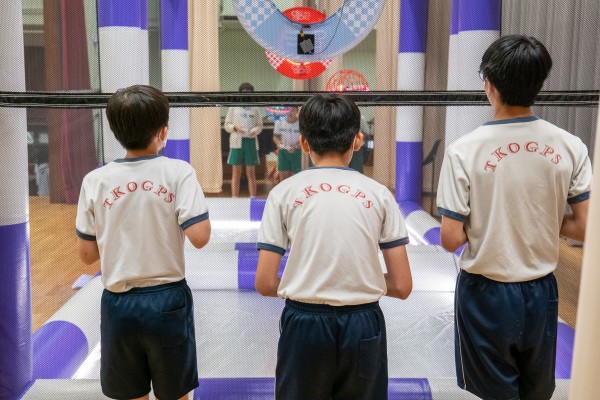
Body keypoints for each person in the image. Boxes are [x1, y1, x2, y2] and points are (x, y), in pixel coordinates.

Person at [437, 35, 591, 400]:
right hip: (540, 290)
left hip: (485, 293)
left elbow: (450, 238)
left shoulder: (463, 151)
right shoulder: (571, 146)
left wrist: (494, 217)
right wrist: (539, 217)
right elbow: (585, 227)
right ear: (539, 83)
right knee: (535, 392)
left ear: (489, 84)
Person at [255, 93, 413, 400]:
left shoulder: (284, 193)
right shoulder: (379, 194)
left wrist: (308, 280)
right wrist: (354, 281)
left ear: (304, 143)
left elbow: (264, 282)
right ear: (358, 140)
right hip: (362, 323)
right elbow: (402, 285)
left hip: (304, 324)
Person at [75, 85, 211, 400]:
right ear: (163, 132)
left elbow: (86, 254)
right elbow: (200, 237)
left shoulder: (95, 181)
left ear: (114, 131)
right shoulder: (178, 172)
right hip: (167, 300)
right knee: (175, 392)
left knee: (130, 392)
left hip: (118, 304)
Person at [223, 82, 263, 197]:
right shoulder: (234, 107)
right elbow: (226, 125)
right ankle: (234, 199)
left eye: (249, 92)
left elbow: (260, 125)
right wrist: (235, 128)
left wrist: (255, 130)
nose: (246, 94)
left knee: (251, 173)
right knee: (236, 172)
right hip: (237, 142)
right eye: (244, 92)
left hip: (251, 142)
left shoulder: (255, 108)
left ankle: (253, 198)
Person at [272, 106, 301, 181]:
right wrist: (279, 143)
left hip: (297, 152)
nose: (290, 112)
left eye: (293, 110)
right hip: (283, 152)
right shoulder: (279, 121)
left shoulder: (301, 123)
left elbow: (305, 139)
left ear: (297, 111)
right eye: (287, 110)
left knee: (295, 180)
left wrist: (296, 146)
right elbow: (275, 136)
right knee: (283, 180)